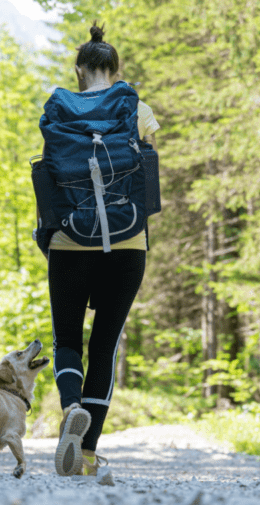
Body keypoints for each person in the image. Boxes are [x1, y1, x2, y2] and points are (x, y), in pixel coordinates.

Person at [41, 22, 160, 477]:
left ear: (79, 69)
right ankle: (87, 454)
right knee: (105, 345)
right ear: (115, 68)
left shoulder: (58, 109)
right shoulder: (138, 109)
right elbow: (147, 176)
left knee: (67, 339)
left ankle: (71, 406)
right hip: (127, 241)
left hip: (69, 238)